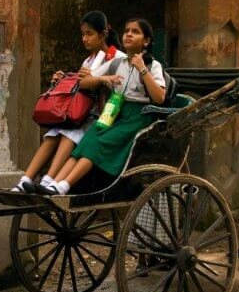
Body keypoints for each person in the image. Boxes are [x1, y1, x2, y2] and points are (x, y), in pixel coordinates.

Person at [37, 17, 166, 195]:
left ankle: (64, 186)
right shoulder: (116, 63)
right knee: (89, 139)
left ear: (146, 41)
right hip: (115, 110)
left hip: (139, 115)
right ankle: (53, 183)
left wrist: (142, 69)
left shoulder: (153, 65)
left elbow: (159, 97)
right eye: (127, 30)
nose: (128, 34)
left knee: (98, 144)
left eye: (135, 32)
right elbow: (83, 82)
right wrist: (100, 78)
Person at [12, 10, 125, 192]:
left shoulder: (118, 58)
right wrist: (64, 79)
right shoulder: (88, 60)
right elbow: (80, 87)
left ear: (102, 34)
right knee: (53, 132)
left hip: (104, 115)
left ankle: (49, 181)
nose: (85, 39)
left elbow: (119, 89)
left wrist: (95, 79)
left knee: (69, 133)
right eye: (83, 34)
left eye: (89, 34)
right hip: (83, 113)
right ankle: (24, 180)